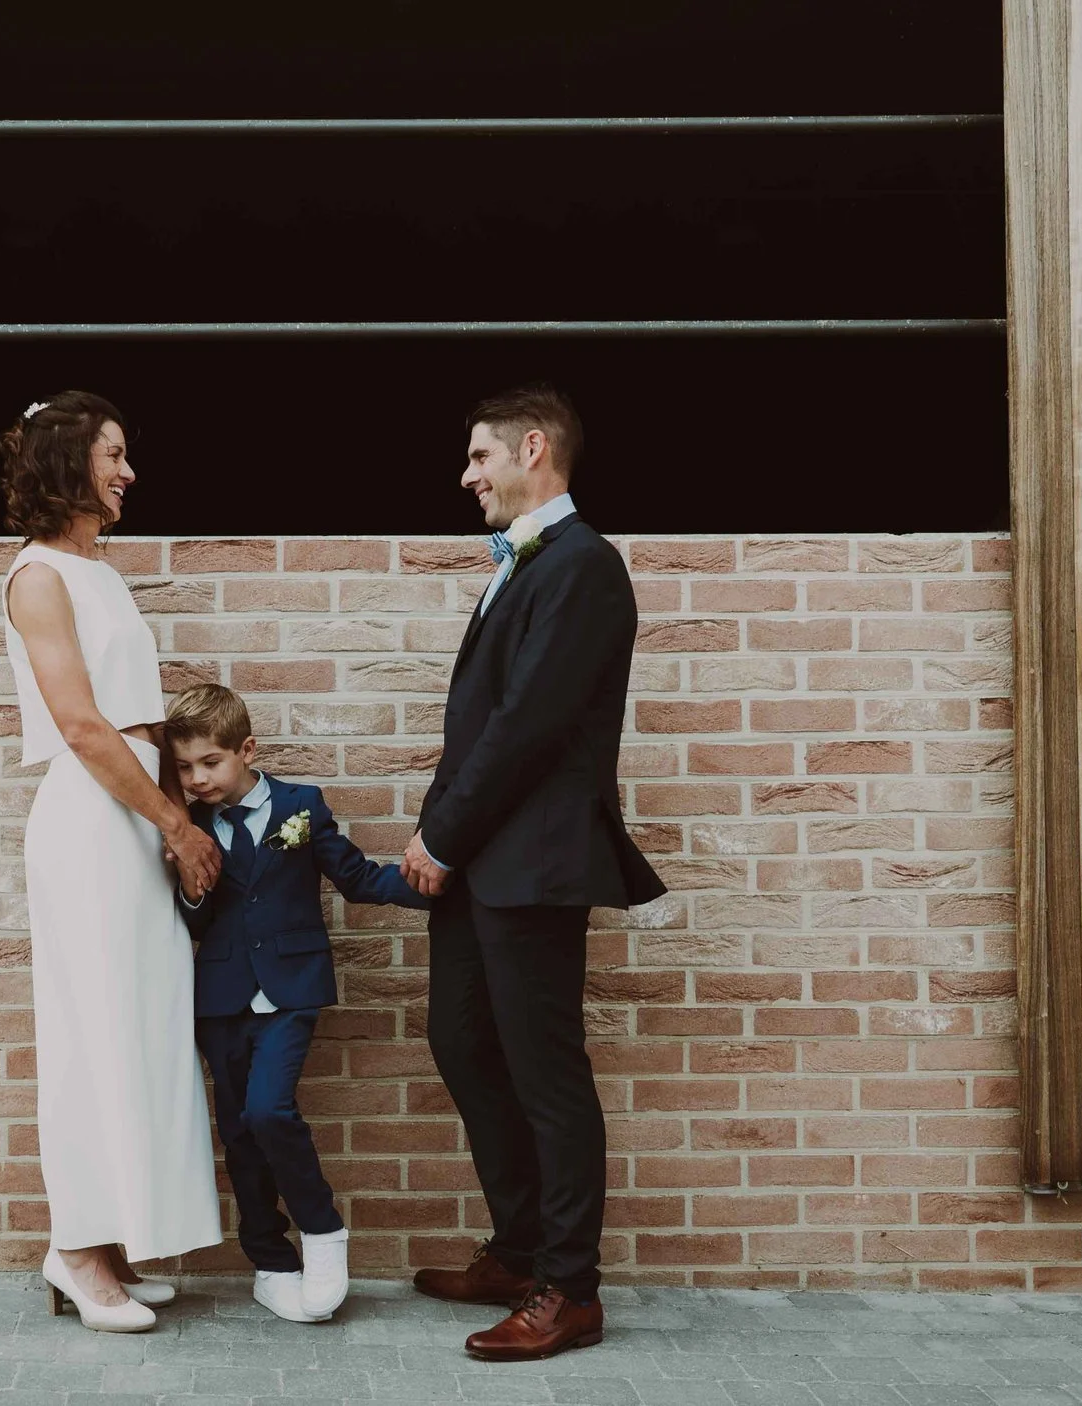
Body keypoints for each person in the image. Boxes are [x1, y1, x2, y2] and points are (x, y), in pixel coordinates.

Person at [398, 384, 667, 1361]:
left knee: (547, 1074)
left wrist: (440, 837)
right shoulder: (524, 564)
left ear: (534, 449)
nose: (467, 474)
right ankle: (516, 1250)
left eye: (481, 455)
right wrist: (442, 835)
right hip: (483, 862)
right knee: (463, 1041)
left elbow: (529, 726)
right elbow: (480, 722)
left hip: (534, 863)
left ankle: (569, 1288)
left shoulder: (584, 565)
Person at [0, 392, 224, 1333]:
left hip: (132, 817)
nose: (128, 472)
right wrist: (176, 826)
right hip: (91, 821)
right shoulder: (37, 576)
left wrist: (178, 820)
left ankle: (117, 1241)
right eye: (114, 454)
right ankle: (76, 1249)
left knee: (142, 1028)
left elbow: (141, 721)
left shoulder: (101, 573)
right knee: (89, 1033)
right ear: (68, 462)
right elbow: (84, 727)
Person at [166, 684, 431, 1324]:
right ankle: (270, 1262)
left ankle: (322, 1230)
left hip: (290, 991)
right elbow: (193, 919)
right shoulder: (188, 823)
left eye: (210, 762)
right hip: (221, 997)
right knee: (238, 1131)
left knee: (269, 1110)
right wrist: (189, 883)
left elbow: (357, 878)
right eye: (184, 767)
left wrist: (438, 887)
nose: (197, 779)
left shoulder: (300, 806)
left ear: (247, 750)